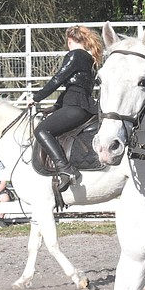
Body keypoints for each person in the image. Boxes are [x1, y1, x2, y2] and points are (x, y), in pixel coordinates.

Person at [31, 25, 103, 192]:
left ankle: (65, 168)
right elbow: (77, 88)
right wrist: (56, 107)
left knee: (41, 131)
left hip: (75, 106)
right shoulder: (90, 59)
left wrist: (36, 98)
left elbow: (58, 79)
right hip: (83, 105)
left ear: (70, 41)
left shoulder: (75, 55)